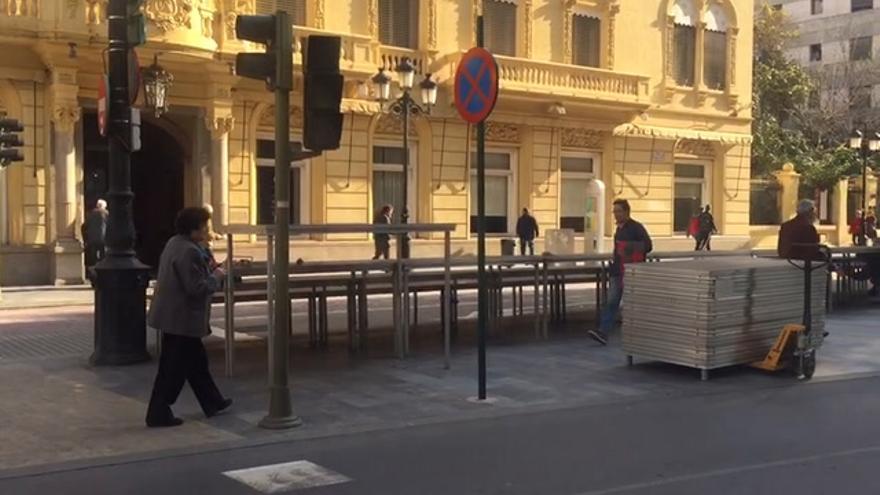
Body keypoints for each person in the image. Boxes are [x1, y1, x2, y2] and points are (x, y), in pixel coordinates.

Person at [146, 207, 232, 428]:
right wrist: (217, 276)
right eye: (204, 225)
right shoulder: (189, 251)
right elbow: (196, 287)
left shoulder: (176, 243)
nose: (207, 229)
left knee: (196, 362)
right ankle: (159, 410)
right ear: (194, 228)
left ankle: (212, 401)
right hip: (181, 318)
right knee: (173, 368)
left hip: (174, 316)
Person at [589, 199, 652, 345]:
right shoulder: (619, 230)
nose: (616, 214)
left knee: (633, 303)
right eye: (614, 211)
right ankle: (603, 332)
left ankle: (638, 333)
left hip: (632, 271)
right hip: (618, 270)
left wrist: (630, 247)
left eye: (618, 211)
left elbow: (648, 246)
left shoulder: (636, 228)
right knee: (612, 301)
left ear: (626, 212)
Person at [82, 199, 108, 270]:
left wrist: (85, 238)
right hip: (103, 238)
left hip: (92, 238)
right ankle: (102, 269)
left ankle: (93, 269)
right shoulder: (106, 213)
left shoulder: (91, 214)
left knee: (93, 255)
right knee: (103, 255)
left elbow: (84, 226)